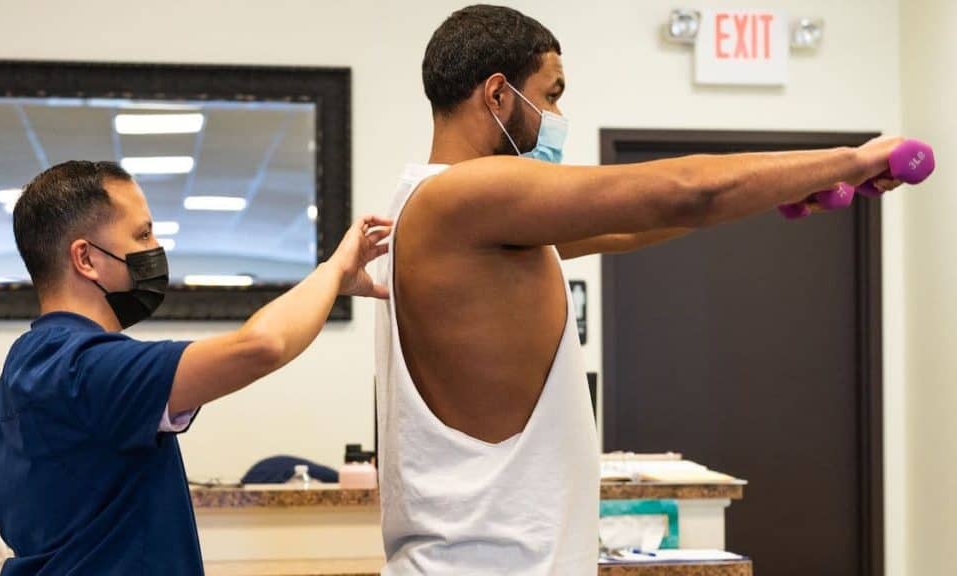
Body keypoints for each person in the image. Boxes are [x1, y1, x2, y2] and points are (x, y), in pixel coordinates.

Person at [374, 4, 908, 574]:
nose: (557, 115)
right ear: (499, 95)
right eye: (550, 95)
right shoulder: (463, 195)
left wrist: (773, 192)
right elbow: (682, 191)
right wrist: (848, 161)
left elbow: (628, 225)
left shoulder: (436, 208)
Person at [0, 160, 390, 575]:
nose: (156, 247)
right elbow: (261, 346)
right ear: (85, 258)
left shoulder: (26, 367)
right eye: (142, 234)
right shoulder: (83, 368)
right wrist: (335, 271)